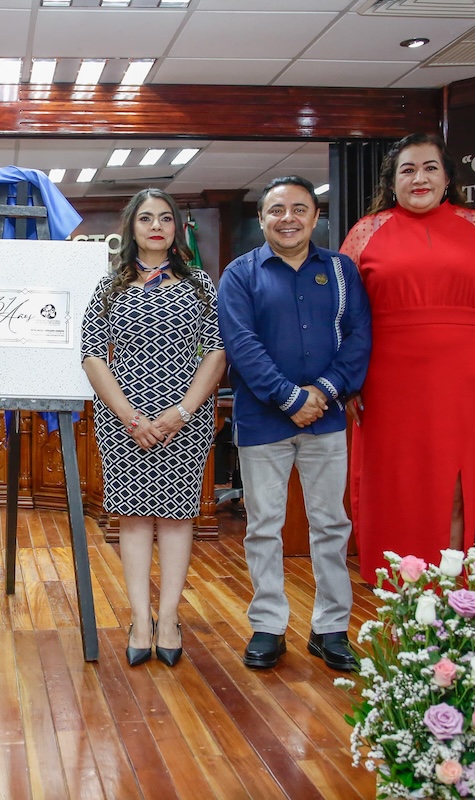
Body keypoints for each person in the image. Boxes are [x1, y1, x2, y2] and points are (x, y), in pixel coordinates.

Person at [339, 132, 475, 584]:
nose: (420, 178)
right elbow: (342, 314)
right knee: (391, 483)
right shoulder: (366, 231)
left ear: (447, 177)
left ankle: (448, 583)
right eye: (408, 169)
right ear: (392, 181)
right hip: (384, 375)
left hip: (462, 374)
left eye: (430, 168)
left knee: (454, 482)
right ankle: (395, 585)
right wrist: (348, 380)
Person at [217, 176, 371, 671]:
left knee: (331, 525)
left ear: (315, 215)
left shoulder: (342, 271)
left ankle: (330, 629)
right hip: (263, 421)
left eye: (299, 209)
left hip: (325, 421)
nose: (289, 218)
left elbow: (358, 339)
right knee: (264, 526)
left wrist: (323, 392)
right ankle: (268, 626)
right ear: (262, 218)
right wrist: (288, 397)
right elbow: (241, 345)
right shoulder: (241, 274)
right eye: (277, 210)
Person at [81, 188, 226, 668]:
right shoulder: (109, 286)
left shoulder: (201, 284)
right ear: (132, 228)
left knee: (177, 517)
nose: (156, 226)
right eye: (146, 218)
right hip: (123, 419)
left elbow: (216, 352)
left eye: (165, 218)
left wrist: (180, 412)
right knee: (135, 518)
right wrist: (129, 416)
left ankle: (168, 619)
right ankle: (140, 620)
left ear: (177, 228)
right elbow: (92, 355)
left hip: (186, 418)